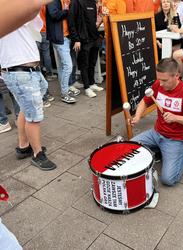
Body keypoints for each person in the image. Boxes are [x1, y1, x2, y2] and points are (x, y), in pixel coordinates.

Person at [131, 58, 183, 186]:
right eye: (159, 79)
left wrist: (176, 118)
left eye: (164, 80)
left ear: (177, 75)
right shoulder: (158, 85)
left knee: (168, 180)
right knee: (130, 147)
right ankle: (159, 149)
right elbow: (144, 101)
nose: (161, 83)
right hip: (155, 133)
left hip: (175, 139)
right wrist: (137, 116)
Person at [0, 16, 57, 170]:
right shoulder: (8, 9)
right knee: (33, 116)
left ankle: (24, 146)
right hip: (19, 71)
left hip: (28, 70)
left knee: (26, 109)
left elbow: (36, 25)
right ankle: (37, 154)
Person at [46, 0, 80, 104]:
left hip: (67, 37)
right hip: (60, 38)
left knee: (63, 66)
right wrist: (66, 10)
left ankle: (66, 88)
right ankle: (64, 94)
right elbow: (54, 15)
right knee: (68, 66)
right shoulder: (52, 1)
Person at [68, 0, 104, 98]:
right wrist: (76, 39)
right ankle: (87, 88)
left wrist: (100, 20)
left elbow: (93, 21)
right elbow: (71, 22)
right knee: (84, 64)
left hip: (94, 37)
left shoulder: (92, 2)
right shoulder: (75, 2)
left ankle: (92, 84)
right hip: (83, 39)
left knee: (92, 63)